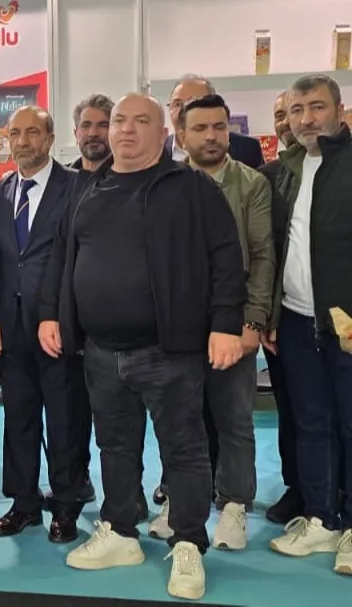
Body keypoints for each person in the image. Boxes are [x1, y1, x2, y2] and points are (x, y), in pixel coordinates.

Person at [40, 93, 245, 601]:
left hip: (169, 351)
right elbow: (62, 255)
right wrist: (51, 314)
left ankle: (189, 542)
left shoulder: (190, 188)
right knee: (114, 446)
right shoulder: (87, 187)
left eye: (140, 121)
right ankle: (121, 532)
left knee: (184, 448)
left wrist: (226, 324)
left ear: (164, 132)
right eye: (119, 121)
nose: (126, 130)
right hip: (100, 351)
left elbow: (226, 257)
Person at [154, 94, 274, 551]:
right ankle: (181, 503)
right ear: (181, 135)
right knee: (178, 419)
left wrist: (253, 320)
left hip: (234, 321)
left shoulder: (251, 184)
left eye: (219, 127)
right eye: (200, 128)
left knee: (234, 419)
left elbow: (261, 256)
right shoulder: (165, 184)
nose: (211, 136)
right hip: (178, 326)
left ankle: (234, 505)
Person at [0, 106, 91, 545]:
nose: (23, 142)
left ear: (50, 138)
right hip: (9, 326)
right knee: (19, 417)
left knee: (65, 419)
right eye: (15, 134)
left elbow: (78, 259)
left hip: (58, 327)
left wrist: (60, 316)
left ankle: (65, 506)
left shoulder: (77, 186)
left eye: (32, 133)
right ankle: (23, 502)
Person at [265, 75, 352, 576]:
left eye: (317, 107)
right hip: (297, 321)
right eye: (296, 110)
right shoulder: (285, 171)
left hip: (346, 326)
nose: (306, 119)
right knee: (311, 425)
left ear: (339, 110)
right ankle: (322, 518)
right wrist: (272, 314)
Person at [258, 92, 301, 525]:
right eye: (281, 114)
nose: (289, 121)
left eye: (299, 111)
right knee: (291, 406)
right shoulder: (266, 178)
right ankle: (298, 487)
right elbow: (263, 253)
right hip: (283, 316)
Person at [164, 74, 264, 168]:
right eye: (177, 104)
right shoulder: (159, 151)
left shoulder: (247, 148)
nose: (182, 111)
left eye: (193, 103)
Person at [69, 94, 113, 171]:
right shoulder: (59, 176)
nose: (93, 133)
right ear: (76, 134)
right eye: (86, 125)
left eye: (103, 125)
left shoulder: (131, 177)